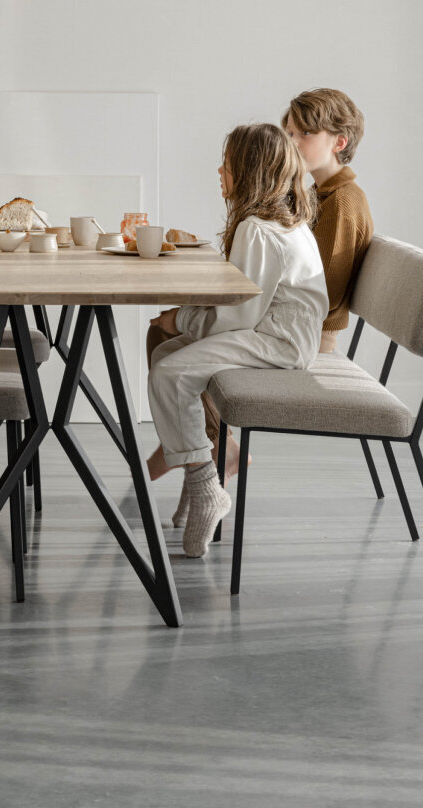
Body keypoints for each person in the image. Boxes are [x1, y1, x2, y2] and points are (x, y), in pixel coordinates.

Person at [146, 123, 328, 558]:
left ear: (249, 171)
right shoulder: (284, 223)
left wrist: (181, 318)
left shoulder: (256, 228)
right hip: (281, 334)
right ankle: (200, 467)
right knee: (169, 354)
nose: (219, 171)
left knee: (170, 372)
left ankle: (205, 486)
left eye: (227, 164)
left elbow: (238, 315)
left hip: (277, 341)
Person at [282, 89, 373, 354]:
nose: (292, 142)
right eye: (289, 133)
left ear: (339, 142)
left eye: (305, 133)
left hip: (308, 337)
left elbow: (325, 294)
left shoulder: (341, 202)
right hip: (295, 326)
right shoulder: (317, 194)